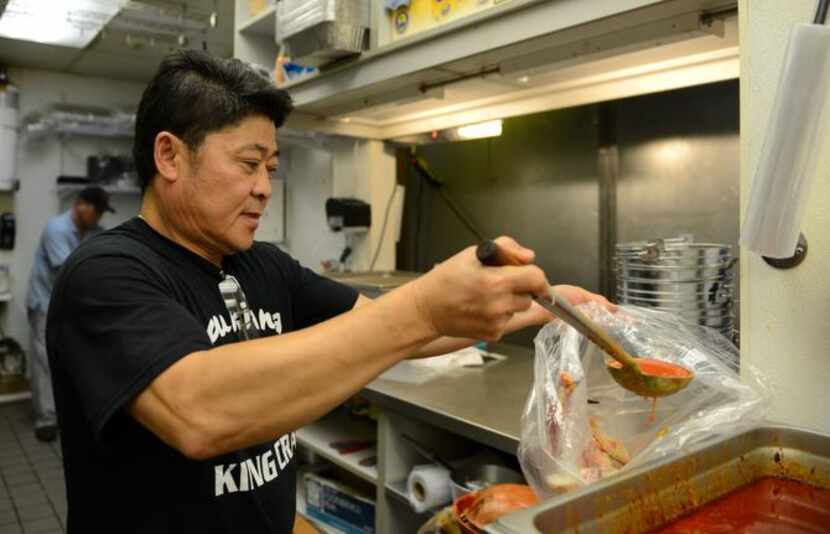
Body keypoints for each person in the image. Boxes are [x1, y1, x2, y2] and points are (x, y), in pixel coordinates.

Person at [46, 50, 611, 533]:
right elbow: (200, 412)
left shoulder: (262, 266)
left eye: (270, 166)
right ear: (169, 156)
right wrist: (421, 304)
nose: (264, 188)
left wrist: (540, 305)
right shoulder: (106, 274)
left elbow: (398, 331)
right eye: (248, 164)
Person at [25, 186, 114, 442]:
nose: (98, 217)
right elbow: (70, 270)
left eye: (100, 213)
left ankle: (67, 413)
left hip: (70, 305)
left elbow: (107, 252)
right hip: (45, 303)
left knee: (71, 358)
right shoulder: (57, 229)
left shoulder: (94, 231)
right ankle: (46, 420)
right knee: (44, 361)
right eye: (95, 211)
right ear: (80, 205)